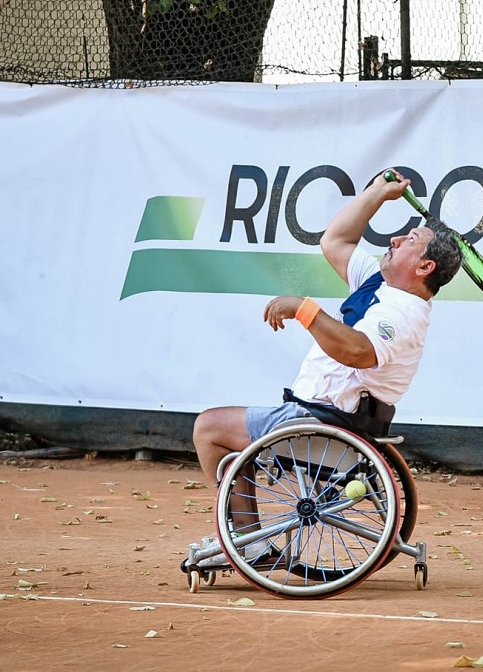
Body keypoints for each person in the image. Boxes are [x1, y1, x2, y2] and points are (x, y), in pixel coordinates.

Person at [189, 168, 462, 568]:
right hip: (320, 420)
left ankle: (249, 546)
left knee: (210, 429)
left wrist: (304, 309)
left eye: (410, 241)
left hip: (323, 425)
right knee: (231, 441)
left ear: (424, 268)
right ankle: (249, 542)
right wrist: (376, 194)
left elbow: (357, 352)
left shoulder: (404, 313)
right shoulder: (379, 282)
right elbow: (336, 240)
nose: (395, 239)